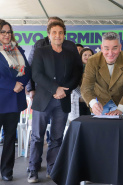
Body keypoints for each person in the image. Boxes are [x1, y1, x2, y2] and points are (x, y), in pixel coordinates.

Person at [27, 21, 83, 183]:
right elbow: (36, 74)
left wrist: (65, 90)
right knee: (37, 137)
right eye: (54, 32)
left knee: (57, 138)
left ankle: (52, 168)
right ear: (49, 34)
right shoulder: (40, 51)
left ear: (64, 34)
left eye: (60, 32)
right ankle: (33, 169)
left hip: (62, 101)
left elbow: (77, 74)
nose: (57, 35)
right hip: (43, 100)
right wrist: (55, 89)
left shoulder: (71, 53)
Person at [0, 20, 31, 181]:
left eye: (8, 32)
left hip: (14, 102)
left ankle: (6, 171)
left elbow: (27, 70)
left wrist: (21, 84)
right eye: (3, 32)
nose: (7, 35)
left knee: (10, 138)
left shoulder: (17, 49)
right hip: (1, 99)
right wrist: (13, 85)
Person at [81, 32, 123, 115]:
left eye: (114, 48)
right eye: (107, 48)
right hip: (100, 102)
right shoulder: (92, 61)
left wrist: (120, 109)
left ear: (120, 47)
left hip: (121, 101)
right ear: (101, 48)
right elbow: (86, 87)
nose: (110, 53)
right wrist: (93, 104)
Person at [68, 48, 94, 122]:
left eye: (90, 55)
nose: (87, 57)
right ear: (81, 56)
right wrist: (83, 95)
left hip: (91, 102)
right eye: (85, 55)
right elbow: (74, 84)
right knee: (77, 124)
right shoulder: (75, 69)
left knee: (90, 124)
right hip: (77, 100)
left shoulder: (96, 69)